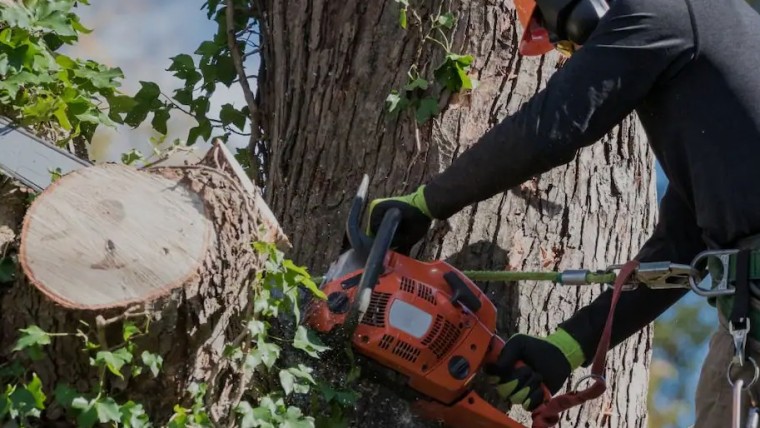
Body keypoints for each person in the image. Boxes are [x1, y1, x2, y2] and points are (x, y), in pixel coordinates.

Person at [367, 0, 760, 425]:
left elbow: (551, 127)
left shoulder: (662, 8)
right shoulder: (717, 45)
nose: (563, 44)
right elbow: (684, 247)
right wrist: (566, 346)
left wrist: (426, 204)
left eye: (552, 27)